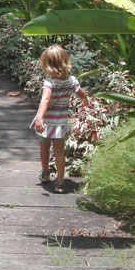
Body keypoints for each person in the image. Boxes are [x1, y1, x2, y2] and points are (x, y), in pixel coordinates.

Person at [31, 44, 89, 193]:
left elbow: (45, 100)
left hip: (47, 122)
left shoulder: (50, 82)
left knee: (44, 147)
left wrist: (39, 118)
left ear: (47, 65)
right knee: (59, 152)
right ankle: (60, 181)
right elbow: (81, 94)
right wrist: (86, 100)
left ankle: (45, 173)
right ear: (65, 61)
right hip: (60, 123)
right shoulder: (72, 81)